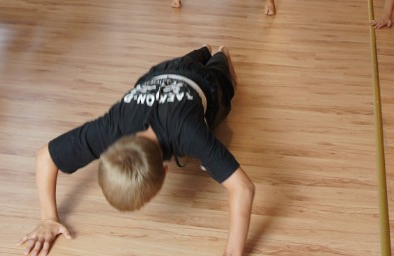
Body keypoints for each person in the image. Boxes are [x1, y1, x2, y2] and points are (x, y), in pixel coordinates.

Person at [17, 44, 255, 256]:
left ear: (165, 171)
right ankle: (203, 49)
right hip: (160, 73)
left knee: (223, 76)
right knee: (192, 57)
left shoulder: (188, 133)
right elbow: (45, 156)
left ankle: (220, 52)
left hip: (202, 82)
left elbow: (243, 188)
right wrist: (48, 218)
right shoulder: (111, 127)